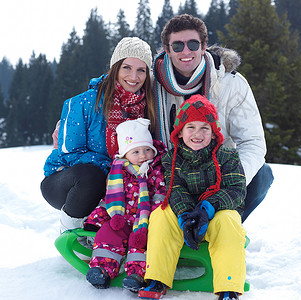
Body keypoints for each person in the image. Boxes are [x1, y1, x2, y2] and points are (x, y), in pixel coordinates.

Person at [152, 14, 273, 222]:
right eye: (178, 46)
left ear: (204, 45)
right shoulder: (153, 83)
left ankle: (219, 224)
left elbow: (253, 142)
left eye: (193, 44)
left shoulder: (231, 84)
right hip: (172, 172)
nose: (186, 51)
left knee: (263, 175)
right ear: (167, 49)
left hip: (217, 172)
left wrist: (227, 184)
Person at [40, 37, 155, 236]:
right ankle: (71, 232)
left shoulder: (147, 109)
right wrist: (117, 167)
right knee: (92, 175)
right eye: (126, 67)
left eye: (141, 70)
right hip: (67, 181)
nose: (134, 76)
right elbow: (70, 154)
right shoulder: (83, 103)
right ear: (115, 68)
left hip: (119, 183)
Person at [139, 95, 247, 300]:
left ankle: (229, 286)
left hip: (215, 214)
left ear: (214, 133)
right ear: (180, 132)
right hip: (187, 214)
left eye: (205, 128)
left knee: (229, 221)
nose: (197, 134)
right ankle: (157, 278)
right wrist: (185, 214)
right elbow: (175, 188)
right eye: (191, 127)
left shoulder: (228, 156)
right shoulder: (171, 158)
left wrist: (208, 208)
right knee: (161, 216)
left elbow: (236, 190)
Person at [84, 118, 167, 291]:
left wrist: (153, 217)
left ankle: (137, 275)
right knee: (108, 233)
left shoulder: (156, 171)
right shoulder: (119, 172)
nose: (143, 156)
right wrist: (96, 219)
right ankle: (102, 269)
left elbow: (160, 194)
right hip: (122, 218)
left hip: (145, 220)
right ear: (125, 154)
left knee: (142, 242)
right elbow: (110, 199)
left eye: (147, 150)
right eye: (135, 152)